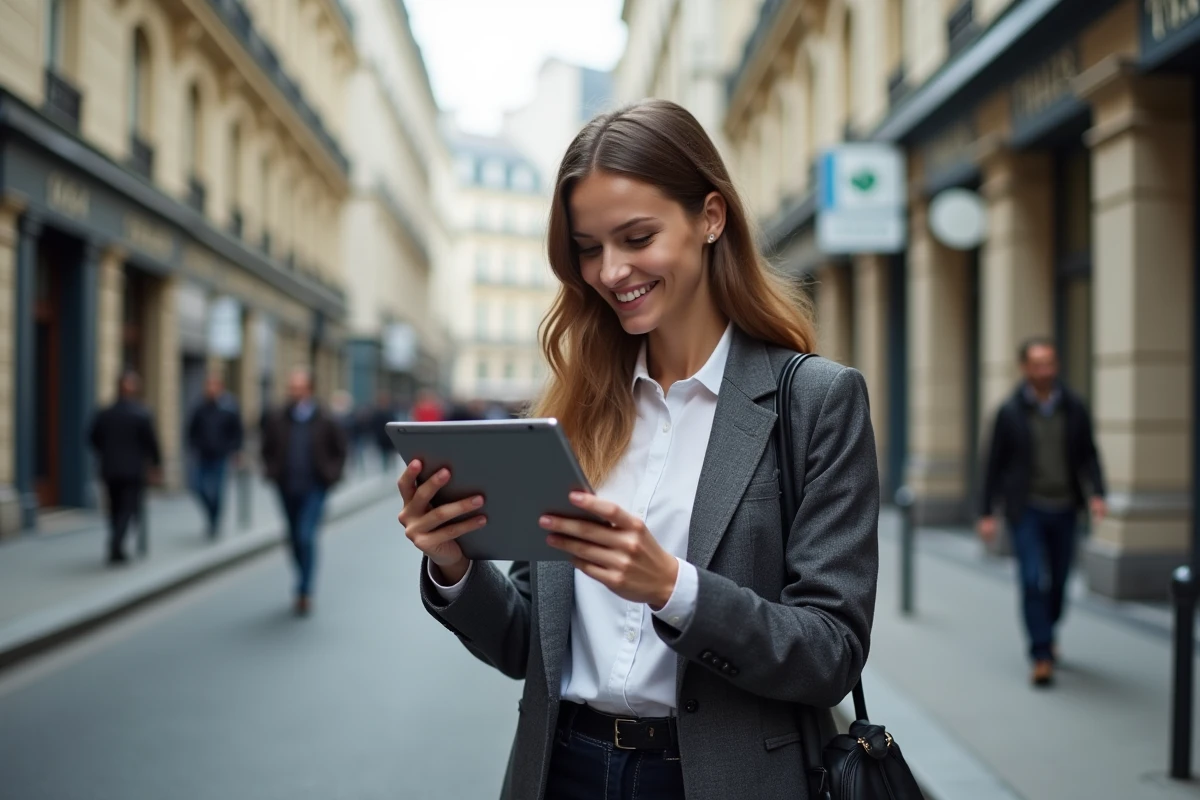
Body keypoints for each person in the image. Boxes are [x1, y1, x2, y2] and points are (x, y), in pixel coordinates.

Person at [399, 100, 879, 800]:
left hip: (721, 781)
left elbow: (831, 651)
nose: (610, 271)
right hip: (561, 771)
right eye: (589, 248)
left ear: (710, 218)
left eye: (636, 237)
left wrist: (672, 588)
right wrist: (452, 565)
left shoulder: (815, 401)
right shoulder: (580, 409)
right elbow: (523, 643)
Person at [978, 338, 1107, 687]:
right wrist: (986, 512)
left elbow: (1088, 454)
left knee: (1059, 583)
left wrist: (1098, 493)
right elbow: (993, 464)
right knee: (1033, 579)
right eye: (1037, 365)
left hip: (1065, 508)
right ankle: (1041, 654)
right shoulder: (1010, 412)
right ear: (1025, 369)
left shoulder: (1073, 407)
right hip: (1028, 509)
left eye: (1049, 363)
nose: (1045, 371)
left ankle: (1047, 632)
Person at [261, 367, 348, 616]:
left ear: (309, 389)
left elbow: (340, 448)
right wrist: (270, 471)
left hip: (315, 487)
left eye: (299, 387)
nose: (294, 392)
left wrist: (332, 475)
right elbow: (266, 447)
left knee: (305, 536)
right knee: (293, 537)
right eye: (292, 387)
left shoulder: (325, 418)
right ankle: (302, 576)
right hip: (286, 486)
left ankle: (304, 589)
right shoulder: (278, 417)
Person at [90, 370, 162, 565]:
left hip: (110, 469)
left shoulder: (105, 413)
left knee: (114, 508)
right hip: (132, 470)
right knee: (127, 509)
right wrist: (156, 464)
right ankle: (116, 544)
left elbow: (93, 439)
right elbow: (151, 442)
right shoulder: (141, 413)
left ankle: (117, 545)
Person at [186, 372, 244, 539]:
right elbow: (191, 429)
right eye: (208, 385)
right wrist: (194, 446)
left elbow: (237, 431)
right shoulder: (200, 407)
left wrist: (234, 450)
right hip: (202, 455)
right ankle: (211, 515)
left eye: (214, 385)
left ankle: (215, 521)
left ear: (220, 388)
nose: (210, 389)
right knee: (197, 487)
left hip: (220, 456)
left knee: (217, 492)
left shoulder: (229, 407)